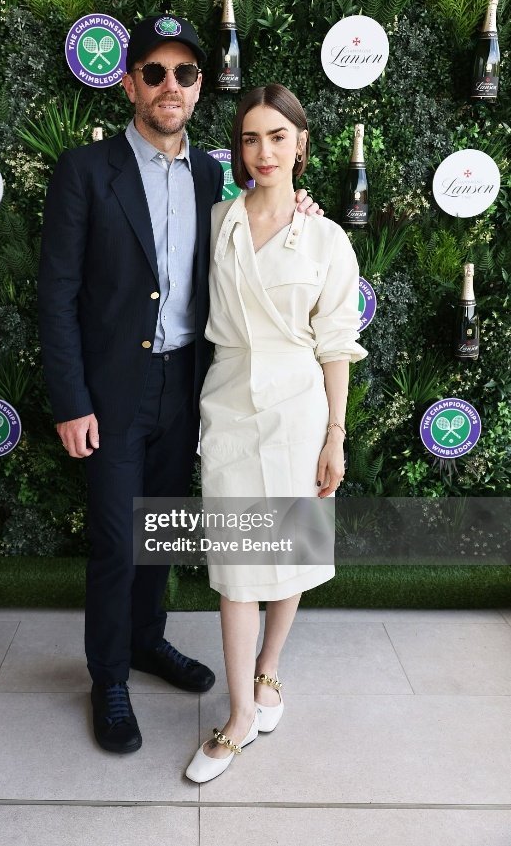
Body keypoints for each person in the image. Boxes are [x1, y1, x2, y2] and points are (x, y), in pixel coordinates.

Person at [38, 18, 324, 756]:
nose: (171, 85)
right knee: (112, 539)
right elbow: (57, 293)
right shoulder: (84, 169)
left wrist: (304, 214)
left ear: (200, 89)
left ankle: (145, 640)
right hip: (110, 391)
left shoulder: (212, 177)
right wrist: (70, 399)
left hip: (190, 386)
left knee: (156, 531)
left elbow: (260, 227)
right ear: (129, 81)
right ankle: (108, 678)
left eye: (185, 74)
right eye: (155, 72)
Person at [185, 84, 368, 783]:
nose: (263, 151)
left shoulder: (326, 237)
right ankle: (236, 717)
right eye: (250, 138)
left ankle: (268, 671)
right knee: (235, 570)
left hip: (299, 408)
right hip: (229, 402)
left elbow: (334, 344)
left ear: (301, 144)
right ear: (240, 149)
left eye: (276, 137)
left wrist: (335, 433)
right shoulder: (213, 221)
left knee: (287, 551)